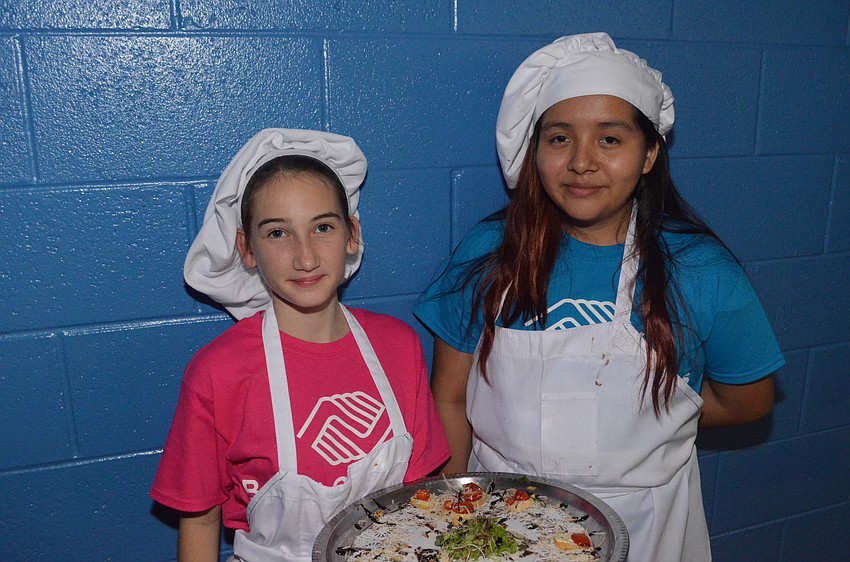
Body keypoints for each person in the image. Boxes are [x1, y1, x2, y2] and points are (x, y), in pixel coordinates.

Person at [414, 33, 784, 562]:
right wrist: (453, 526)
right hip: (498, 524)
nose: (581, 162)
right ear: (535, 151)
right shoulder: (489, 252)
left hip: (648, 533)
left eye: (610, 139)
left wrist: (652, 424)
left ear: (649, 153)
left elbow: (749, 401)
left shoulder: (701, 270)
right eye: (559, 138)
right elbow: (449, 398)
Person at [151, 128, 450, 562]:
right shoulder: (218, 372)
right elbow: (199, 522)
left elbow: (420, 492)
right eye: (278, 233)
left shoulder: (399, 346)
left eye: (322, 227)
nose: (305, 258)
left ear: (352, 235)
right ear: (246, 248)